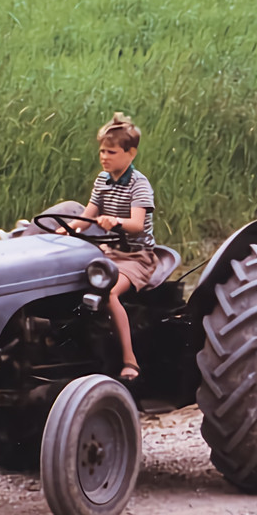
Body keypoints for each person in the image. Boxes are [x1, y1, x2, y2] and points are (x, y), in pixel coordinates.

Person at [58, 112, 158, 381]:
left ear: (131, 153)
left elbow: (137, 224)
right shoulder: (103, 180)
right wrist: (65, 230)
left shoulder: (139, 185)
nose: (104, 157)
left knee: (109, 293)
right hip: (107, 251)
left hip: (136, 256)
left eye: (111, 152)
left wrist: (115, 221)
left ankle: (130, 360)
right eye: (102, 151)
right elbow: (88, 215)